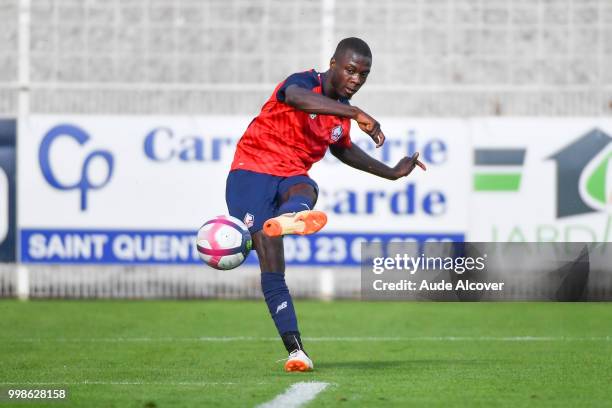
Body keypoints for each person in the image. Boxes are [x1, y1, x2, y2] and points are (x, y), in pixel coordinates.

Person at [226, 37, 426, 372]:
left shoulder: (339, 117)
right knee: (272, 266)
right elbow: (297, 100)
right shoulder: (302, 83)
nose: (356, 79)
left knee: (306, 185)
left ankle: (290, 218)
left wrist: (391, 173)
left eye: (364, 74)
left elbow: (343, 149)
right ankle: (295, 347)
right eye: (351, 70)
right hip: (251, 173)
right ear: (333, 63)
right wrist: (356, 112)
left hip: (290, 177)